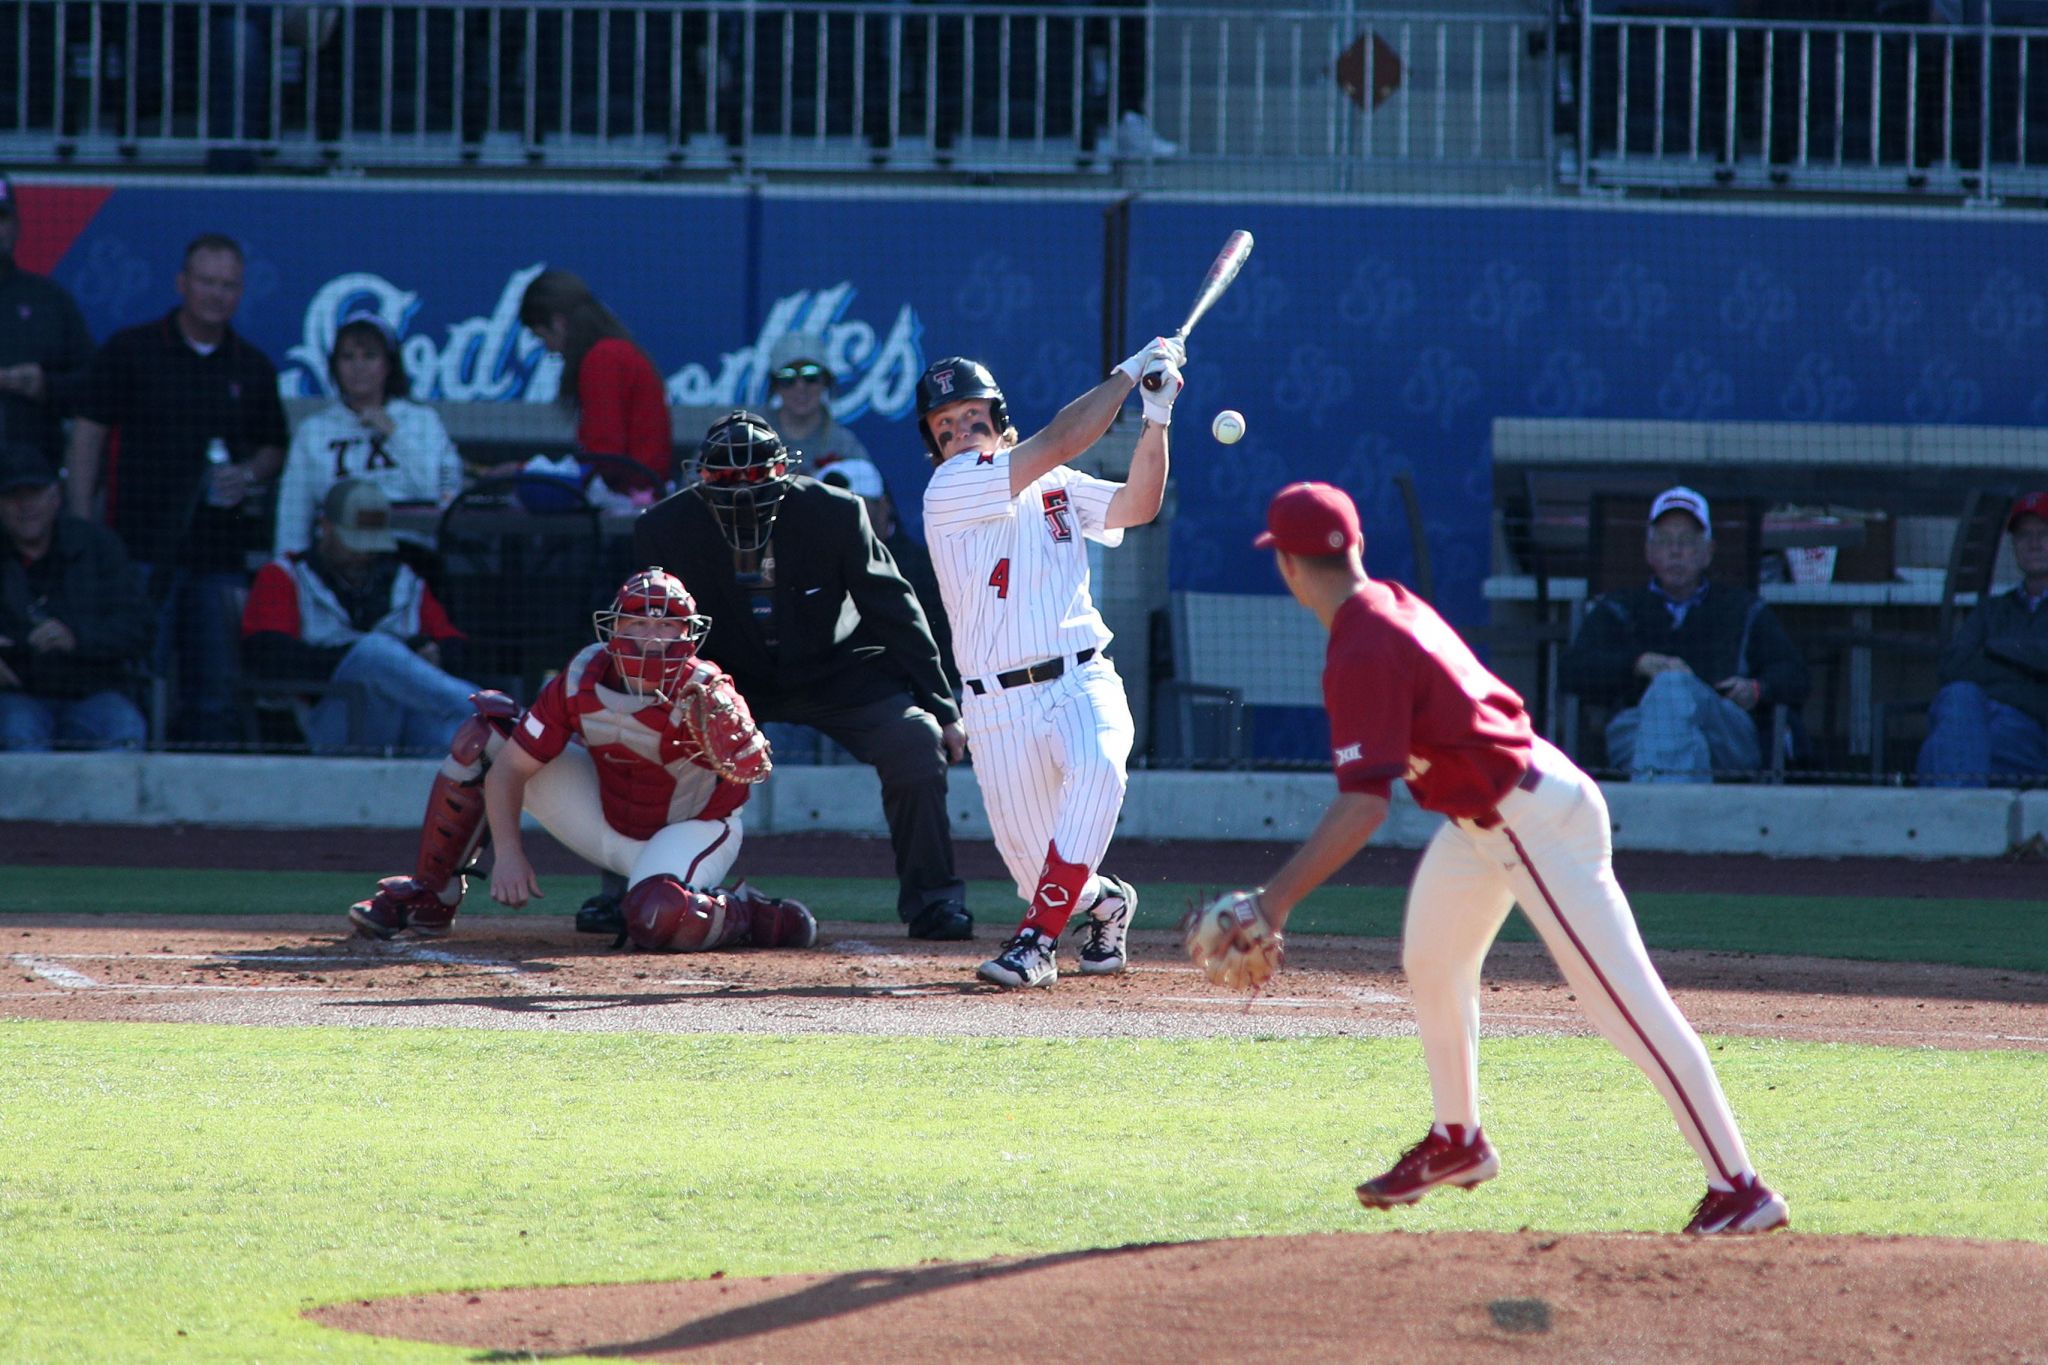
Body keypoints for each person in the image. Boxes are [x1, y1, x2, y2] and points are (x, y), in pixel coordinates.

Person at [1187, 480, 1788, 1236]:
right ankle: (1458, 1139)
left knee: (1625, 1006)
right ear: (1358, 548)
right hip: (1491, 813)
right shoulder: (1390, 604)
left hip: (1529, 820)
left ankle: (1740, 1184)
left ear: (1289, 569)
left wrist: (1272, 901)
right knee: (1432, 958)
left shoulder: (1360, 644)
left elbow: (1364, 804)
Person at [347, 567, 817, 958]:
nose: (653, 639)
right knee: (484, 738)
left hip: (691, 827)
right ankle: (432, 897)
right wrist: (510, 854)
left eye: (667, 626)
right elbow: (510, 769)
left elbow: (752, 770)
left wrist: (738, 738)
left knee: (656, 917)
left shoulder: (707, 691)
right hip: (606, 819)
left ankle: (754, 916)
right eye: (639, 624)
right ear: (613, 629)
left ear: (688, 635)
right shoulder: (579, 679)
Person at [634, 410, 973, 942]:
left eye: (755, 479)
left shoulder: (835, 512)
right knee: (645, 740)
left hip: (835, 671)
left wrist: (943, 708)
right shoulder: (663, 528)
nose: (743, 491)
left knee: (915, 740)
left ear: (782, 473)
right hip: (723, 680)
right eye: (726, 479)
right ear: (701, 478)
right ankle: (631, 892)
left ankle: (934, 903)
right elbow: (646, 632)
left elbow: (895, 610)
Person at [917, 338, 1182, 988]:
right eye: (944, 425)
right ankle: (1107, 900)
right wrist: (1127, 371)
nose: (959, 429)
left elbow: (1137, 505)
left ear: (999, 416)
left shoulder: (1057, 486)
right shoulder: (950, 487)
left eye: (971, 414)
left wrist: (1159, 416)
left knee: (1099, 766)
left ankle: (1035, 944)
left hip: (1080, 676)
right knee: (1036, 875)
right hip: (996, 706)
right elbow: (1063, 437)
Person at [64, 232, 290, 746]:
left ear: (241, 291)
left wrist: (248, 474)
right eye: (207, 282)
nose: (217, 294)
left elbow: (273, 448)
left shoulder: (252, 366)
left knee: (216, 690)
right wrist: (80, 529)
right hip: (137, 552)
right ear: (181, 283)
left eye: (229, 284)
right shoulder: (131, 349)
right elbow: (87, 435)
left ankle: (211, 812)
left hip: (219, 558)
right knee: (137, 679)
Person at [1558, 486, 1808, 781]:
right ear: (1649, 552)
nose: (1675, 551)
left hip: (1723, 730)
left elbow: (1796, 675)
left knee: (1673, 687)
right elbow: (1572, 671)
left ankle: (1658, 816)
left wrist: (1755, 689)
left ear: (1708, 552)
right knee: (1684, 740)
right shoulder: (1618, 608)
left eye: (1687, 541)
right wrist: (1639, 664)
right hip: (1639, 727)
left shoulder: (1743, 608)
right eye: (1664, 541)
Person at [240, 480, 477, 755]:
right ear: (325, 527)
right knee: (373, 651)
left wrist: (431, 655)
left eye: (371, 544)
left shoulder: (403, 580)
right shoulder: (284, 575)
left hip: (404, 727)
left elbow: (458, 649)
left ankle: (500, 733)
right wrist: (368, 660)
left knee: (458, 742)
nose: (363, 554)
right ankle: (494, 714)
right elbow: (269, 658)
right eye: (354, 543)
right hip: (323, 725)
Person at [0, 443, 152, 750]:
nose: (25, 505)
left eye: (35, 493)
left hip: (94, 690)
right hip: (18, 696)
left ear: (56, 496)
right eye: (13, 495)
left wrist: (76, 639)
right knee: (18, 732)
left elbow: (140, 627)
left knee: (124, 728)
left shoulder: (98, 547)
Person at [273, 311, 461, 556]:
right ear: (335, 367)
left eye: (370, 356)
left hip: (406, 548)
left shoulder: (421, 420)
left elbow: (436, 493)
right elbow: (293, 513)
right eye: (348, 357)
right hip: (337, 553)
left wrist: (394, 432)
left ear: (388, 366)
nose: (358, 367)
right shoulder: (314, 430)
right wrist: (287, 568)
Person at [1916, 490, 2048, 787]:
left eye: (2044, 533)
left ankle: (1950, 823)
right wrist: (2026, 669)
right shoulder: (1992, 609)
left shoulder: (1990, 625)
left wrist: (1993, 651)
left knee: (1941, 749)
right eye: (2025, 535)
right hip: (1981, 722)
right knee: (1959, 696)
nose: (2035, 543)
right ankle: (1961, 821)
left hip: (2033, 737)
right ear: (2014, 545)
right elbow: (1952, 666)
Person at [517, 269, 670, 492]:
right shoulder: (615, 353)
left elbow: (604, 458)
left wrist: (525, 471)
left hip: (627, 503)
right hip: (639, 494)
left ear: (559, 323)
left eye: (543, 338)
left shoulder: (602, 359)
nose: (548, 349)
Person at [822, 457, 958, 694]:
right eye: (830, 509)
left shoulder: (921, 566)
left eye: (855, 505)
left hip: (910, 697)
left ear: (883, 506)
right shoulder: (817, 568)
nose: (841, 517)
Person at [0, 173, 96, 465]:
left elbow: (95, 386)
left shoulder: (48, 300)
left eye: (0, 217)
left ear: (15, 226)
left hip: (31, 486)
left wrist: (45, 385)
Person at [762, 331, 873, 477]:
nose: (800, 387)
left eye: (810, 376)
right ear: (775, 386)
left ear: (825, 382)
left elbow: (873, 496)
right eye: (787, 377)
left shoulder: (843, 445)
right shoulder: (754, 434)